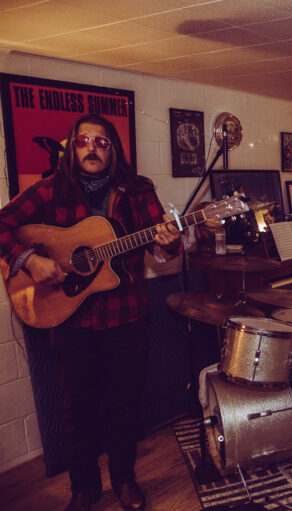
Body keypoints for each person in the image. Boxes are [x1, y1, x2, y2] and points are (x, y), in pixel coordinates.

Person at [0, 114, 183, 511]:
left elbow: (162, 247)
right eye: (85, 140)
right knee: (76, 407)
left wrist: (170, 241)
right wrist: (29, 260)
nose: (92, 148)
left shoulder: (137, 191)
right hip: (70, 320)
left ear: (113, 150)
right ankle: (83, 488)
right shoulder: (48, 192)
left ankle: (124, 479)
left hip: (128, 317)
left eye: (102, 143)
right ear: (72, 147)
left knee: (125, 404)